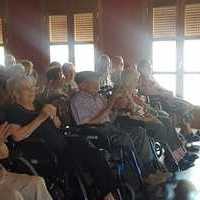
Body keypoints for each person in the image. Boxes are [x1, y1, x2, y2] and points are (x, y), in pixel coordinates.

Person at [5, 75, 117, 200]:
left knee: (92, 151)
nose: (32, 91)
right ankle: (99, 194)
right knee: (80, 158)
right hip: (44, 151)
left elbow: (57, 125)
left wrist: (54, 118)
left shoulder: (37, 103)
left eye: (33, 87)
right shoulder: (13, 111)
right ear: (15, 93)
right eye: (27, 89)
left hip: (61, 142)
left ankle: (108, 192)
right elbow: (17, 136)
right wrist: (41, 117)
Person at [70, 71, 171, 184]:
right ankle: (141, 175)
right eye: (93, 81)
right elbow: (87, 123)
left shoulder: (98, 97)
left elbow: (110, 117)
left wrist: (117, 109)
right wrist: (111, 103)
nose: (97, 83)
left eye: (97, 80)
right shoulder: (78, 99)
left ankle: (151, 170)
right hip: (95, 131)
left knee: (139, 132)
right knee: (125, 138)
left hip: (109, 126)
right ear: (82, 85)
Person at [112, 68, 197, 171]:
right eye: (136, 79)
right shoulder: (120, 93)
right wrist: (149, 118)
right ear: (129, 80)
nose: (139, 81)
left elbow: (141, 109)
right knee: (159, 127)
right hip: (128, 123)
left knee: (166, 120)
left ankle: (181, 155)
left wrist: (148, 113)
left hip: (139, 118)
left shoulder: (132, 92)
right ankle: (173, 158)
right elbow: (128, 113)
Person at [137, 59, 197, 142]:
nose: (150, 68)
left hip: (164, 98)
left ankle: (186, 132)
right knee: (184, 107)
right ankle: (187, 133)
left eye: (150, 66)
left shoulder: (151, 77)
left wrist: (167, 91)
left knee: (189, 106)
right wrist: (161, 93)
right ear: (142, 68)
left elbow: (160, 87)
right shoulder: (141, 79)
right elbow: (144, 91)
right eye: (148, 66)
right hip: (157, 101)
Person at [0, 121, 53, 200]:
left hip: (2, 176)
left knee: (37, 183)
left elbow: (4, 154)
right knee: (13, 196)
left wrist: (0, 143)